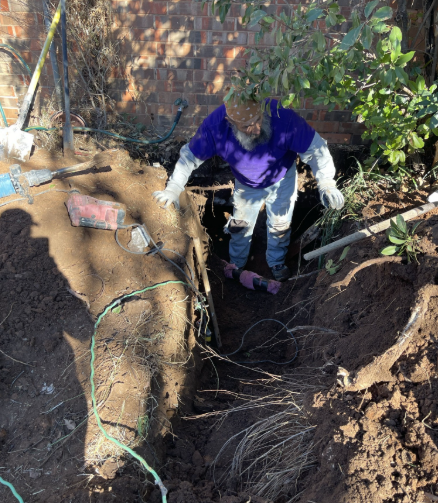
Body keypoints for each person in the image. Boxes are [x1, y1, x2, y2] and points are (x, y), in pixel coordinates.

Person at [153, 95, 344, 282]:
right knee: (239, 225)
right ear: (230, 121)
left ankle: (276, 262)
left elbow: (316, 149)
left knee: (280, 223)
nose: (256, 129)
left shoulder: (281, 117)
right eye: (246, 126)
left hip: (283, 178)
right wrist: (174, 187)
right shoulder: (216, 127)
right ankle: (236, 264)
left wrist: (326, 182)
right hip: (247, 184)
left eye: (258, 120)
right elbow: (189, 158)